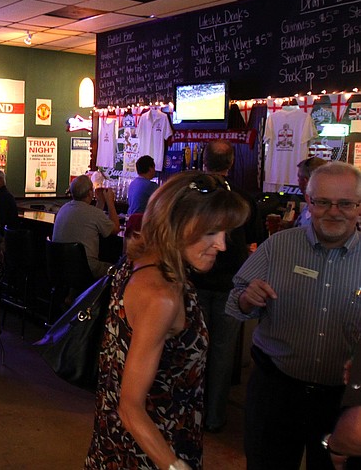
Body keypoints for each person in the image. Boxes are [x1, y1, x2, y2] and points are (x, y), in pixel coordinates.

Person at [85, 171, 249, 470]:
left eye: (225, 233)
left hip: (121, 440)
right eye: (211, 232)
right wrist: (173, 465)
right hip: (147, 449)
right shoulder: (162, 295)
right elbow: (131, 407)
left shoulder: (144, 263)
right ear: (175, 225)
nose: (222, 245)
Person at [226, 161, 361, 470]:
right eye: (323, 202)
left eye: (345, 203)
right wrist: (247, 299)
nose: (333, 211)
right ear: (308, 202)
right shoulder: (278, 247)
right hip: (277, 392)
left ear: (359, 206)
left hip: (342, 401)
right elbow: (235, 302)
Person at [188, 140, 260, 433]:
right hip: (231, 286)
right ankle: (214, 418)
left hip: (195, 283)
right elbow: (254, 245)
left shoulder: (191, 197)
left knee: (193, 349)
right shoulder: (243, 199)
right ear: (231, 164)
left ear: (203, 161)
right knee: (222, 352)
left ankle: (189, 413)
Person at [52, 174, 121, 279]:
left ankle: (74, 294)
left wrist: (100, 202)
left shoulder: (64, 208)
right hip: (86, 268)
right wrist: (110, 202)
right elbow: (116, 228)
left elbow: (93, 218)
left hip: (60, 265)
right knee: (119, 271)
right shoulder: (93, 213)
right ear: (89, 193)